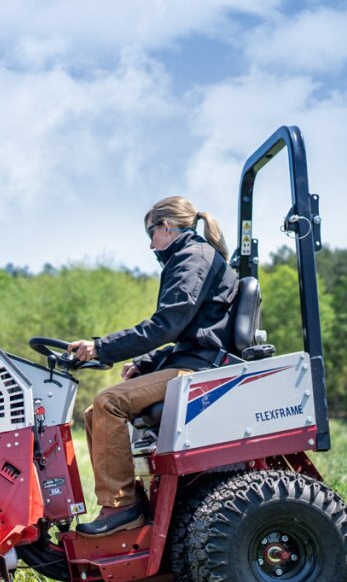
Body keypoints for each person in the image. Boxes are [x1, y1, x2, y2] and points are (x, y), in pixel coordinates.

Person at [68, 196, 236, 536]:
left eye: (152, 233)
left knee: (108, 403)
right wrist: (145, 363)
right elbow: (188, 331)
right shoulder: (189, 257)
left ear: (167, 226)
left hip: (200, 370)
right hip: (188, 360)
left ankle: (122, 508)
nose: (150, 244)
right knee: (92, 413)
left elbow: (167, 325)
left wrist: (101, 347)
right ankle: (131, 501)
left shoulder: (193, 258)